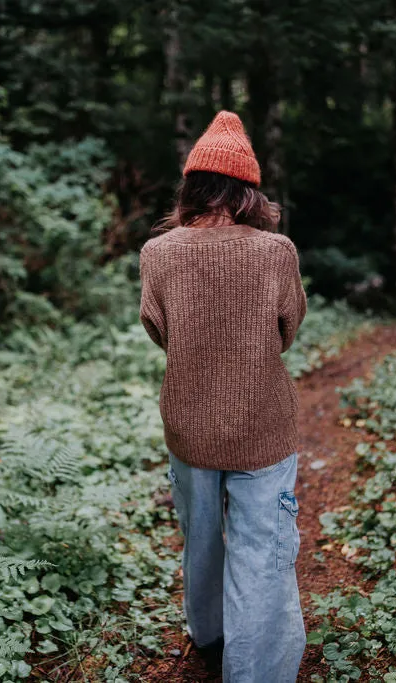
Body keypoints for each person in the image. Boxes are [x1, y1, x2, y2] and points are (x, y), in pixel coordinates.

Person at [138, 110, 308, 683]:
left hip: (188, 424)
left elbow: (157, 329)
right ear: (247, 192)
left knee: (201, 540)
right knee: (261, 555)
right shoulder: (277, 251)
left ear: (192, 187)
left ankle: (208, 634)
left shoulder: (156, 254)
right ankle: (255, 672)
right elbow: (288, 328)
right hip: (263, 426)